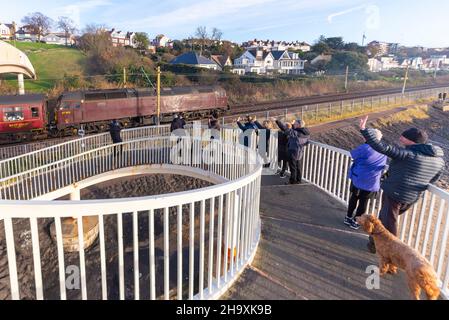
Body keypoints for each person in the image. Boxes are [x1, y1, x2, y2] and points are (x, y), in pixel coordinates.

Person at [359, 115, 445, 253]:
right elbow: (434, 179)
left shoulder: (408, 154)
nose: (400, 138)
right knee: (384, 219)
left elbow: (382, 147)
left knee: (389, 224)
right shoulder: (439, 161)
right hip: (412, 197)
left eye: (403, 137)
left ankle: (392, 253)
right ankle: (373, 243)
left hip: (395, 194)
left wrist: (364, 129)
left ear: (412, 141)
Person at [344, 129, 388, 230]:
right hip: (372, 181)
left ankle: (348, 217)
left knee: (354, 198)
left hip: (358, 178)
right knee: (364, 202)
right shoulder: (384, 149)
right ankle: (356, 221)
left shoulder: (365, 147)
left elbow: (353, 154)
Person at [276, 119, 310, 185]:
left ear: (299, 125)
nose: (294, 125)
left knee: (293, 167)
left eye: (295, 124)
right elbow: (306, 142)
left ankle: (292, 181)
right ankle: (298, 180)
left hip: (293, 151)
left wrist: (278, 121)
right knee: (298, 167)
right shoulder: (306, 132)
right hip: (299, 151)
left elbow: (286, 130)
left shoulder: (297, 132)